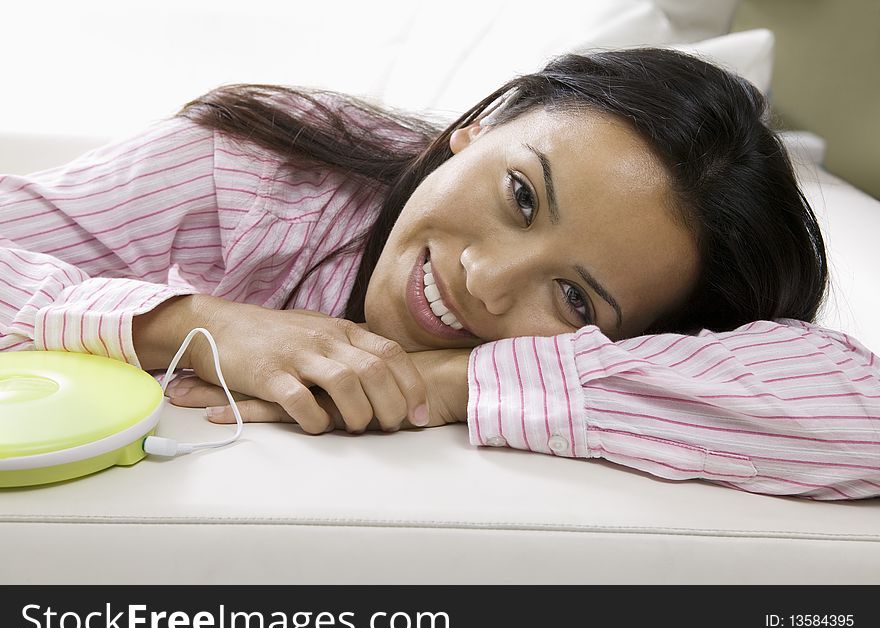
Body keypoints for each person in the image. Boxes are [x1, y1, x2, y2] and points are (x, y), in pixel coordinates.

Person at [1, 49, 877, 500]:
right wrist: (198, 323)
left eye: (575, 298)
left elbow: (860, 414)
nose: (484, 282)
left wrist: (449, 381)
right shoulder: (250, 172)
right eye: (522, 196)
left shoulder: (601, 352)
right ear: (485, 122)